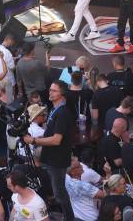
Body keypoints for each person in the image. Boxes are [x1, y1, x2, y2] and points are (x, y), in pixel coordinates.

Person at [23, 80, 75, 220]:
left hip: (57, 159)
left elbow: (56, 139)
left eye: (54, 90)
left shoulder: (63, 112)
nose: (50, 92)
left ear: (62, 93)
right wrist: (40, 136)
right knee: (55, 190)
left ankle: (69, 218)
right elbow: (51, 134)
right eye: (50, 89)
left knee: (59, 193)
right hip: (51, 157)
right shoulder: (54, 109)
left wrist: (34, 140)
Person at [0, 34, 16, 102]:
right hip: (7, 80)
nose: (12, 44)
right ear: (10, 41)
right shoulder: (7, 52)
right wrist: (14, 61)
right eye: (12, 42)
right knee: (9, 99)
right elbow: (12, 67)